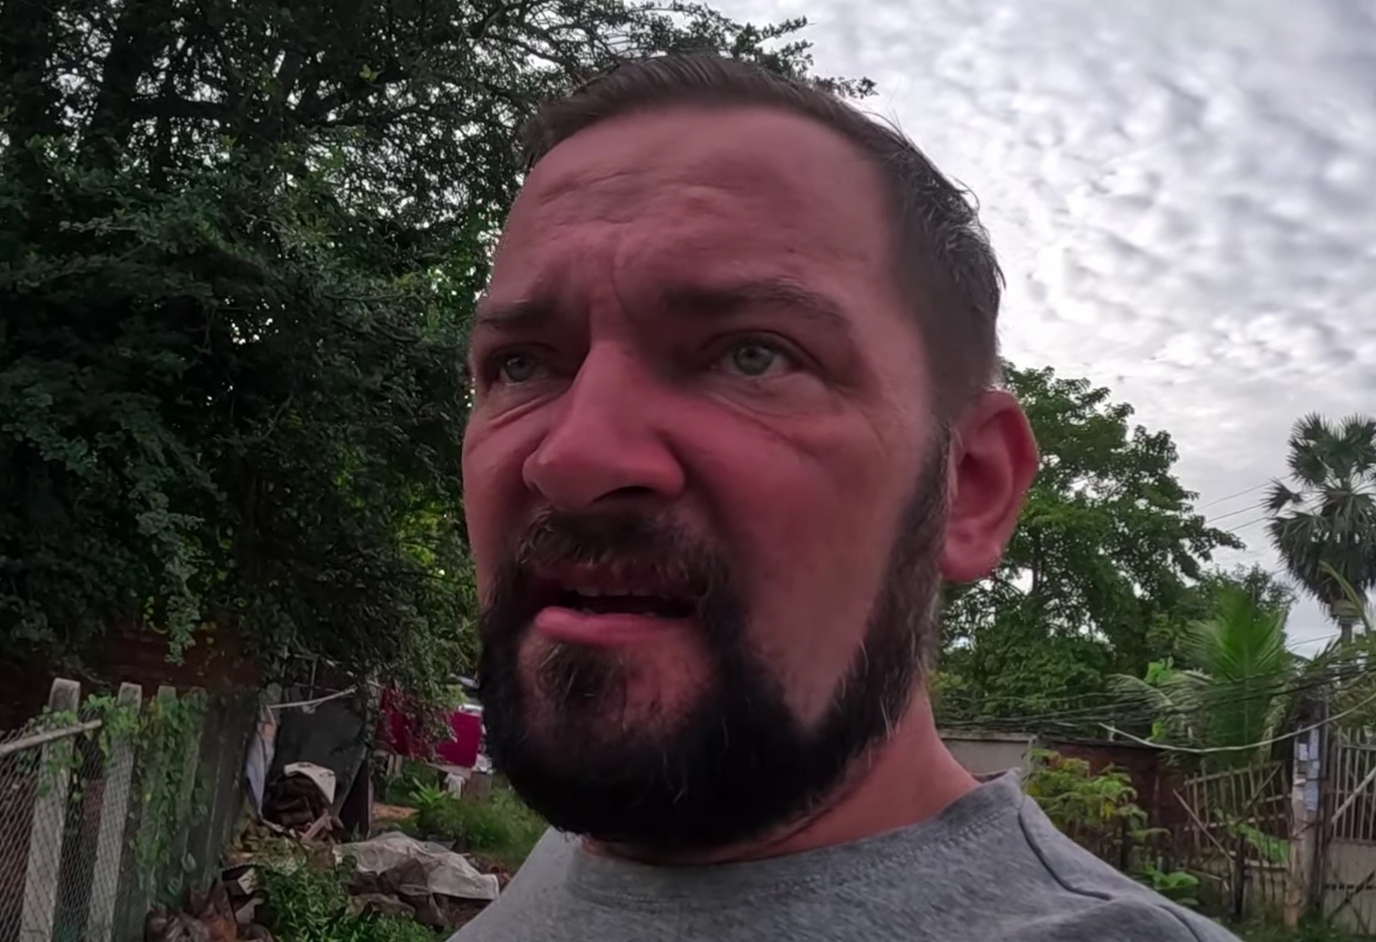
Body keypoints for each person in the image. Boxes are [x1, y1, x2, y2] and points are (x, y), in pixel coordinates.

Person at [454, 53, 1237, 942]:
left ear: (971, 488)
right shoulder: (580, 856)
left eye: (753, 355)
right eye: (522, 364)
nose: (574, 456)